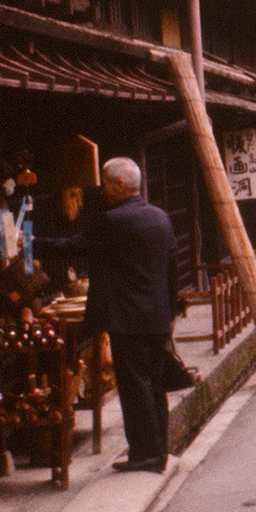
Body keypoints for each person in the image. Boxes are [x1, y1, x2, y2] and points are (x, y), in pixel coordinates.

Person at [30, 157, 181, 474]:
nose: (102, 191)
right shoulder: (160, 218)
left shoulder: (114, 221)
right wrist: (169, 312)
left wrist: (31, 245)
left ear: (120, 185)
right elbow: (172, 270)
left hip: (128, 319)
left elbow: (73, 246)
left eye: (105, 184)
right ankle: (159, 449)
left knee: (134, 386)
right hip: (156, 317)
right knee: (153, 383)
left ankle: (144, 454)